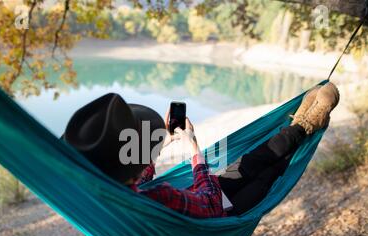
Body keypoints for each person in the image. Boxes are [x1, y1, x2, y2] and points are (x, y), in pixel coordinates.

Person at [63, 82, 339, 218]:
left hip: (214, 192)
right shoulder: (155, 197)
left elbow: (138, 173)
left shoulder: (113, 194)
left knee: (257, 158)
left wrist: (164, 143)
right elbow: (208, 202)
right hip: (224, 213)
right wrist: (193, 147)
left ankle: (303, 125)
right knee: (273, 173)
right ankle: (308, 123)